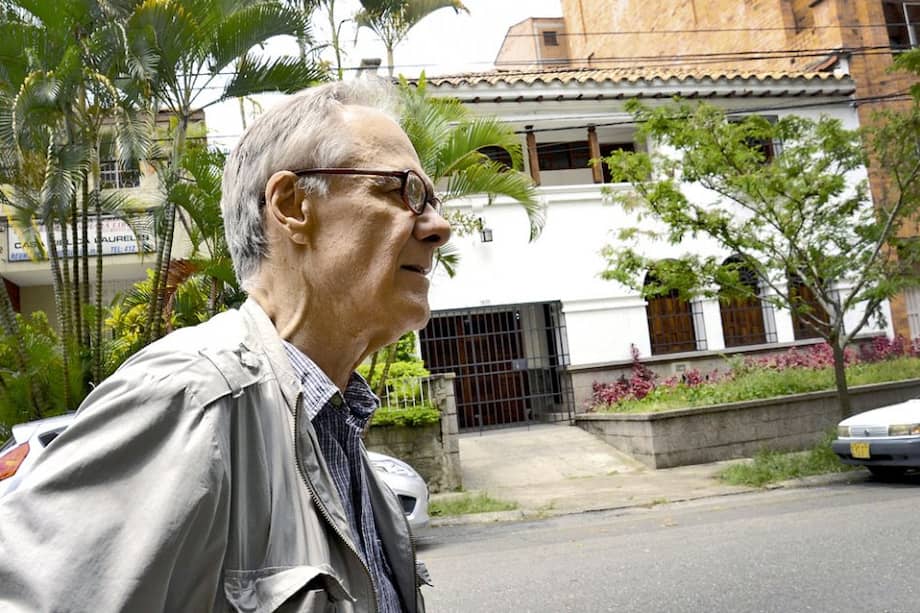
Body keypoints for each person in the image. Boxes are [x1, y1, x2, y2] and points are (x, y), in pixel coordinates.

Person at [0, 79, 451, 612]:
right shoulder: (192, 398)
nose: (438, 226)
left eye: (433, 199)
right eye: (403, 190)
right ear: (292, 204)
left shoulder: (337, 436)